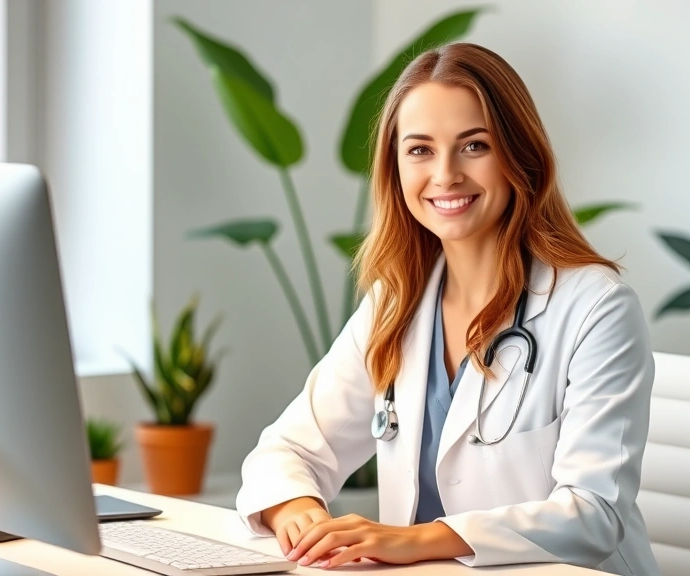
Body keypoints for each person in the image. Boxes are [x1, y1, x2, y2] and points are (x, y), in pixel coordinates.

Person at [235, 42, 660, 576]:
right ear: (395, 168)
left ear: (519, 155)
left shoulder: (596, 307)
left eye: (474, 145)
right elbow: (288, 449)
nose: (445, 174)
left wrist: (415, 541)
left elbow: (593, 514)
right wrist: (297, 511)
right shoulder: (397, 300)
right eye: (419, 150)